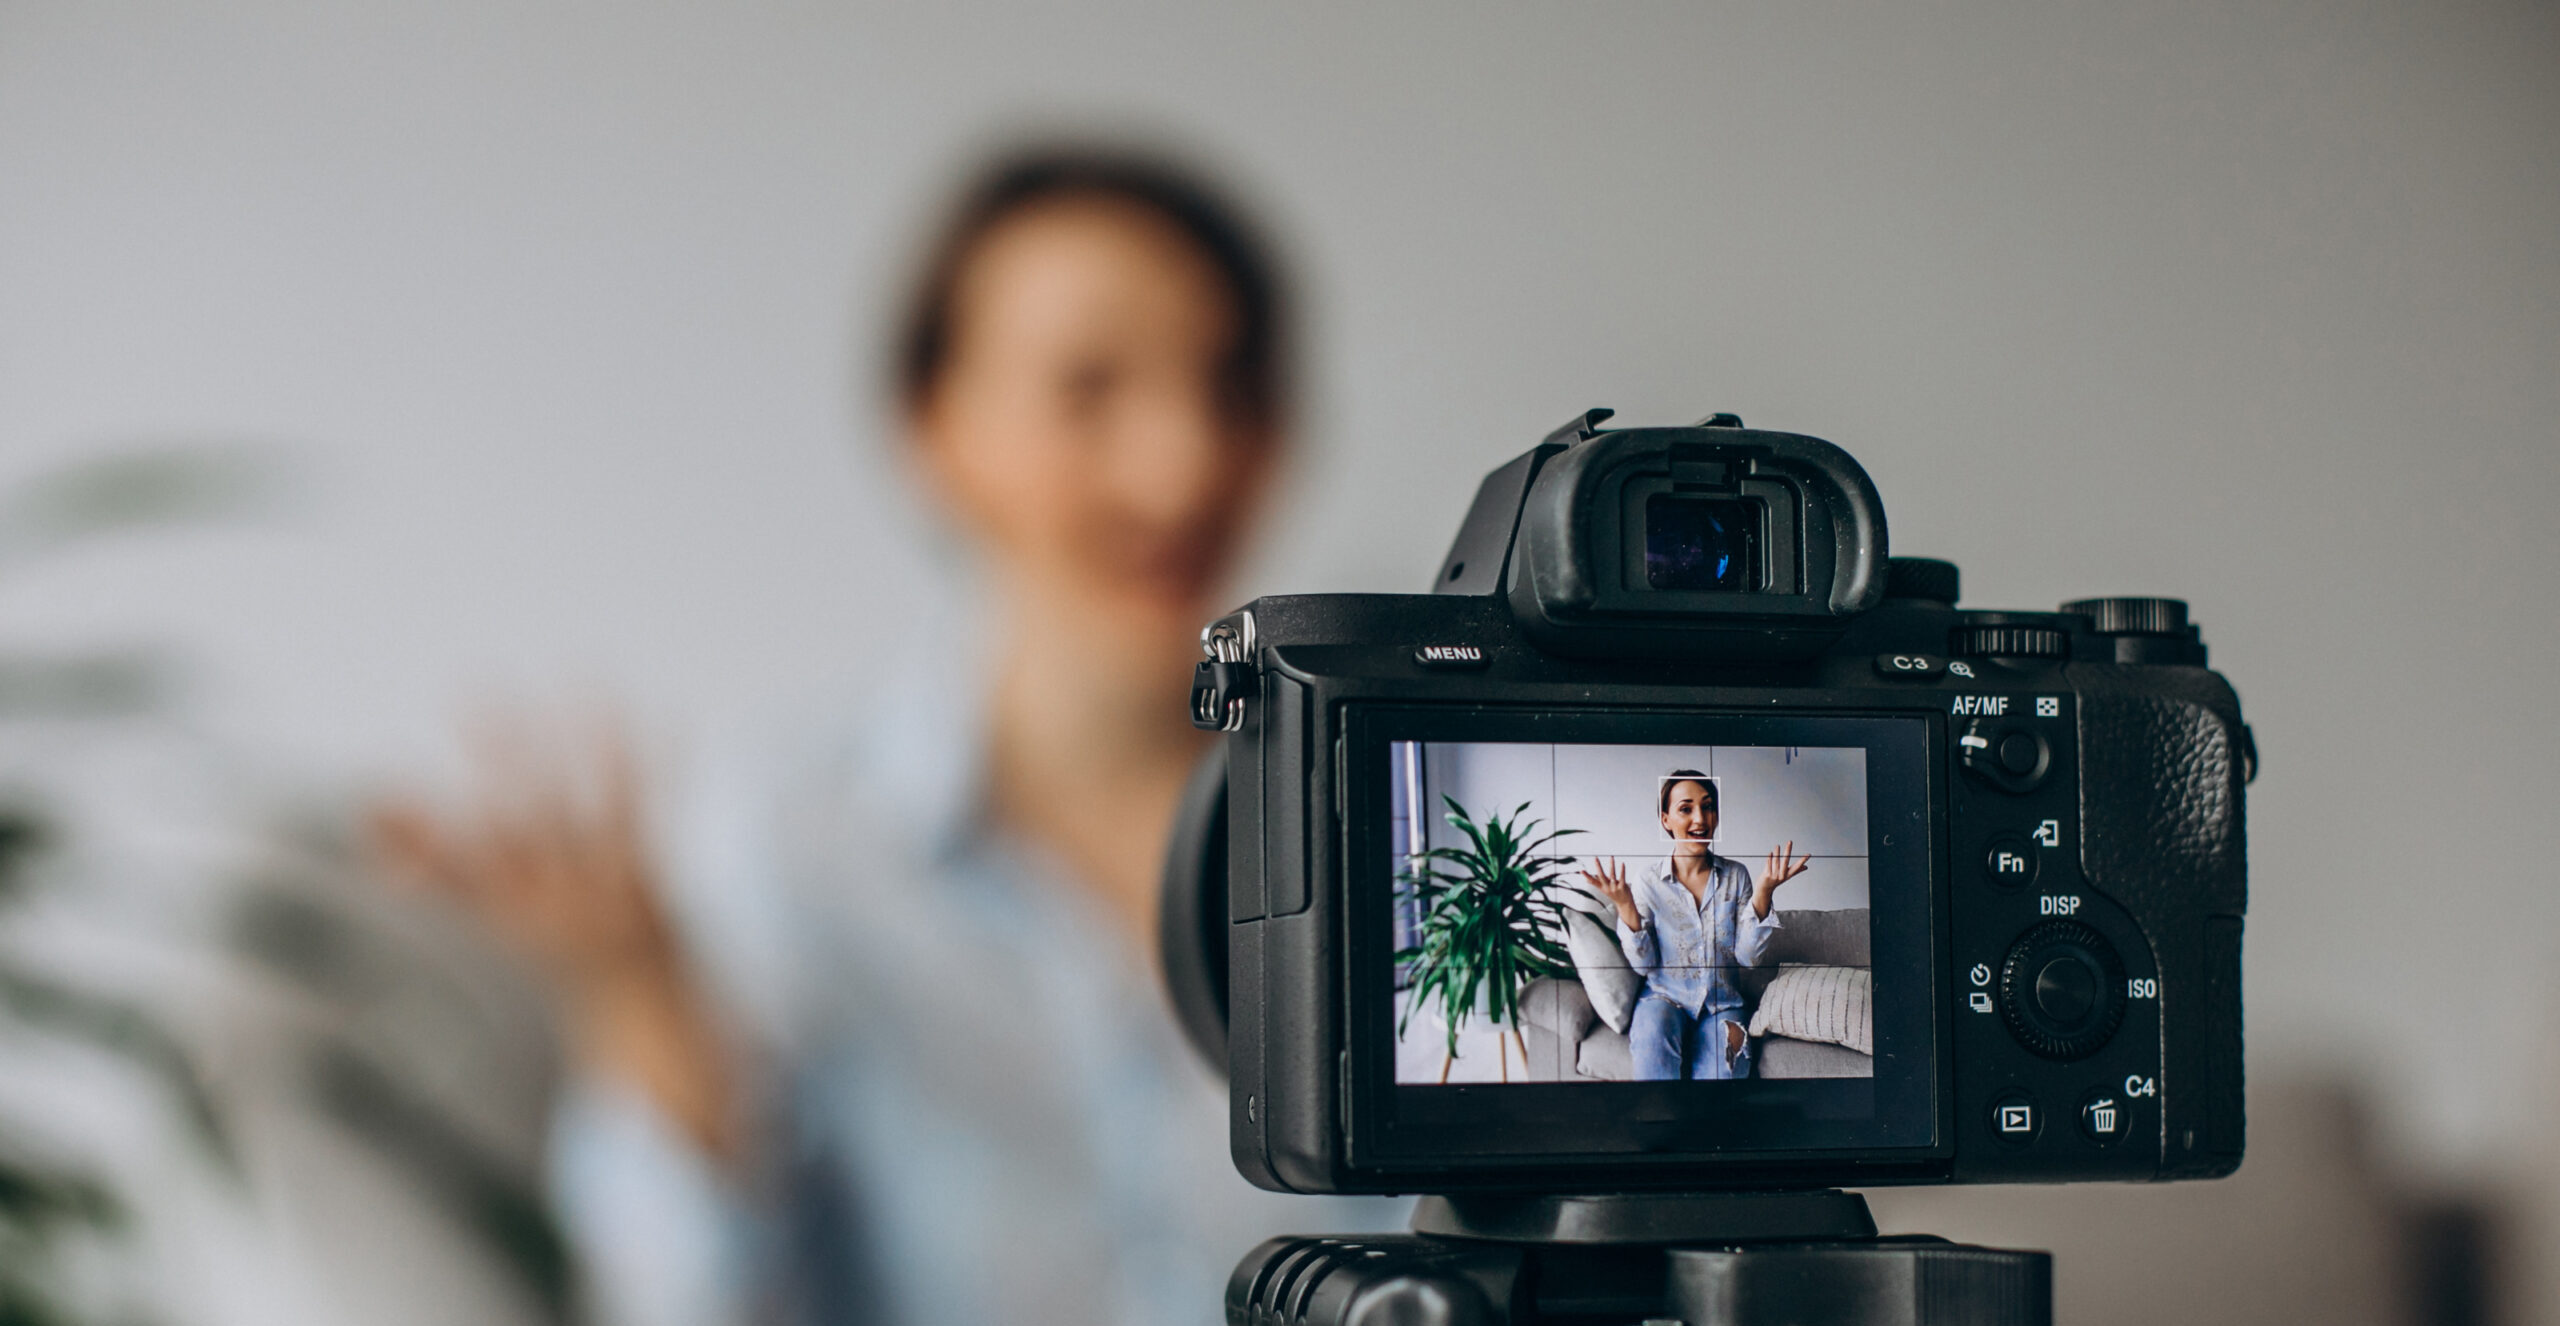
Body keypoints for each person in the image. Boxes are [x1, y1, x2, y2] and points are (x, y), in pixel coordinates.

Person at [372, 145, 1396, 1326]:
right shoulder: (794, 835)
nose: (1183, 466)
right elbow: (696, 1302)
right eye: (1088, 389)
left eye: (1231, 386)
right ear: (936, 428)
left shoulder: (1384, 813)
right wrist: (638, 1003)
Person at [1580, 771, 1809, 1081]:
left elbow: (1748, 958)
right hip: (1662, 998)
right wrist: (1625, 906)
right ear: (1666, 820)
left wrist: (1764, 892)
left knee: (1727, 1071)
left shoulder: (1736, 876)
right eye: (1686, 809)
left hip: (1723, 1003)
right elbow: (1644, 966)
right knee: (1652, 1044)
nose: (1700, 818)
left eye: (1708, 806)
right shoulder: (1649, 880)